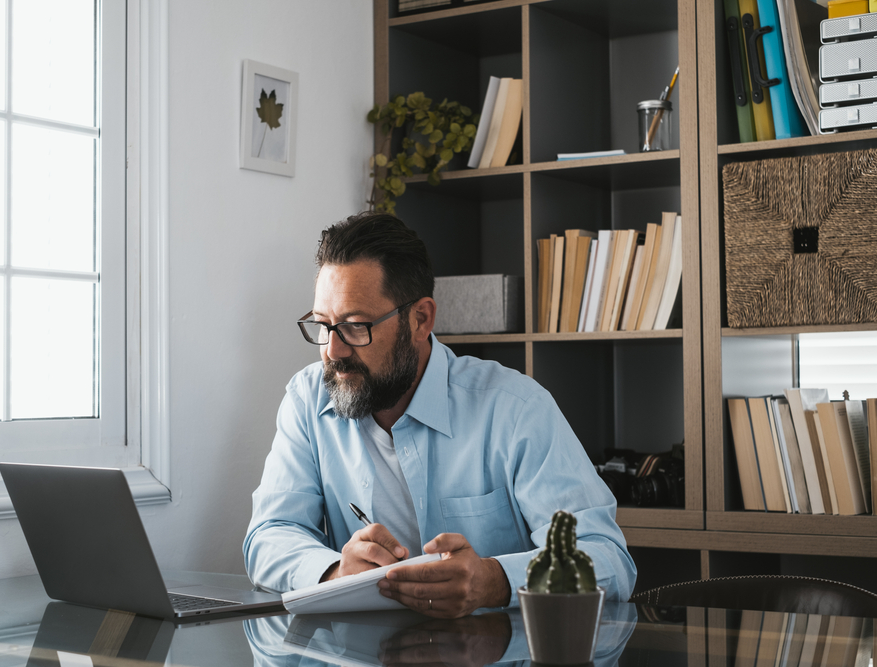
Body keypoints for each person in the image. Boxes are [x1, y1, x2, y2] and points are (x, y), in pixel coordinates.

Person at [244, 212, 636, 618]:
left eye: (356, 326)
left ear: (420, 319)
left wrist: (496, 580)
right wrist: (332, 572)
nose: (333, 351)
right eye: (323, 325)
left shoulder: (515, 408)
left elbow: (607, 559)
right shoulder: (308, 399)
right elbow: (269, 536)